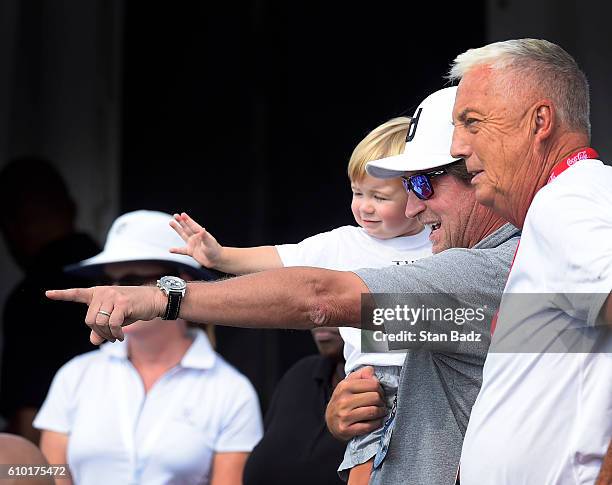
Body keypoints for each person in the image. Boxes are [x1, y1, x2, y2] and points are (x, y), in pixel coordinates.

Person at [45, 87, 519, 485]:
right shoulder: (77, 378)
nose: (412, 209)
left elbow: (318, 296)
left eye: (421, 185)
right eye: (114, 280)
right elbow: (42, 471)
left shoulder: (489, 271)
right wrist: (342, 417)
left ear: (480, 175)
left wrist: (159, 298)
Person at [168, 115, 433, 483]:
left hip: (436, 382)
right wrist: (220, 257)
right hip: (373, 390)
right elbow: (280, 260)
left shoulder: (445, 240)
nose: (364, 208)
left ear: (419, 191)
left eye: (379, 197)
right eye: (357, 193)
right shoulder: (344, 242)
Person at [447, 38, 612, 484]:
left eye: (472, 123)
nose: (457, 147)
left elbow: (337, 297)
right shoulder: (563, 203)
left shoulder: (567, 200)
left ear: (539, 121)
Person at [34, 210, 263, 485]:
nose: (115, 293)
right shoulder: (73, 377)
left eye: (132, 280)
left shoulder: (232, 391)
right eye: (111, 281)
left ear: (182, 283)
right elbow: (50, 476)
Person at [0, 157, 100, 442]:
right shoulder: (114, 277)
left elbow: (28, 418)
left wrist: (24, 471)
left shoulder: (31, 298)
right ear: (73, 208)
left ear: (10, 226)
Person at [243, 326, 346, 485]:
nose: (321, 317)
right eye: (313, 299)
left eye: (339, 300)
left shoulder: (385, 393)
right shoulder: (300, 375)